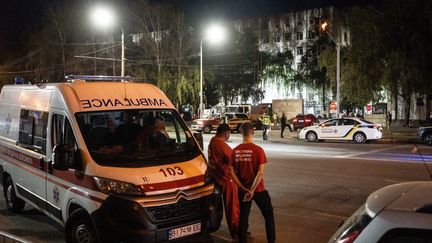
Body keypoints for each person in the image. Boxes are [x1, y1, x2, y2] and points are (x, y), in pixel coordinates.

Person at [231, 122, 275, 243]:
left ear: (241, 132)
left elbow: (231, 172)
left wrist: (243, 188)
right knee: (268, 216)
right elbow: (260, 173)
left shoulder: (235, 151)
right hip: (258, 190)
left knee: (243, 219)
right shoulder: (258, 150)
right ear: (253, 132)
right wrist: (252, 190)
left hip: (243, 191)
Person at [208, 124, 246, 240]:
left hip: (217, 178)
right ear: (226, 133)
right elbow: (233, 160)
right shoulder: (221, 145)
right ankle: (236, 232)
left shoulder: (212, 142)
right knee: (232, 207)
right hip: (227, 180)